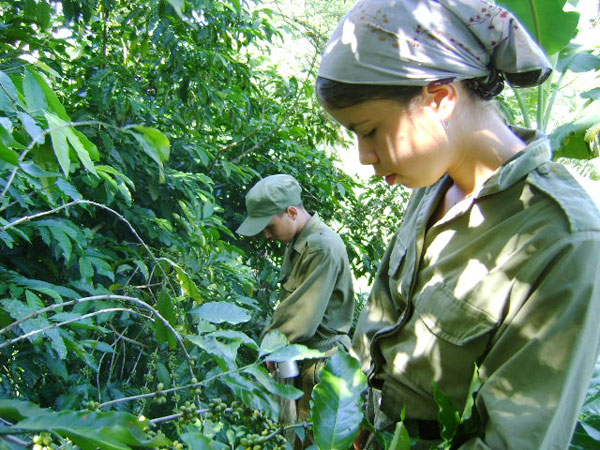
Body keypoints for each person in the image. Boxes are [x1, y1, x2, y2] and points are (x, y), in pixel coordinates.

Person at [315, 0, 600, 448]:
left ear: (441, 99)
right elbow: (383, 318)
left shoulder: (561, 237)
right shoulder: (432, 185)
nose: (363, 157)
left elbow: (516, 437)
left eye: (368, 130)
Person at [236, 174, 355, 441]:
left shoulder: (321, 247)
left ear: (291, 212)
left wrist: (270, 346)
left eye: (269, 226)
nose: (267, 234)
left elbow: (301, 319)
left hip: (322, 366)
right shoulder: (298, 242)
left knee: (313, 441)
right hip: (301, 361)